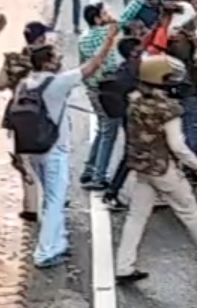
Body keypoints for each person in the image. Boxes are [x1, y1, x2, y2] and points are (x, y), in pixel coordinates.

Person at [11, 26, 120, 268]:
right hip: (54, 149)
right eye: (57, 57)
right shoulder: (57, 83)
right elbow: (92, 66)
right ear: (47, 63)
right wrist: (109, 40)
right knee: (55, 198)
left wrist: (18, 155)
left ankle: (57, 242)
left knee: (51, 196)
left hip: (33, 148)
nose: (61, 59)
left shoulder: (25, 84)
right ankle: (45, 251)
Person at [115, 57, 197, 283]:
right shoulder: (169, 109)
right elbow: (177, 145)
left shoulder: (135, 102)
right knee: (189, 212)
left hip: (142, 166)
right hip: (164, 168)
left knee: (136, 217)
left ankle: (124, 266)